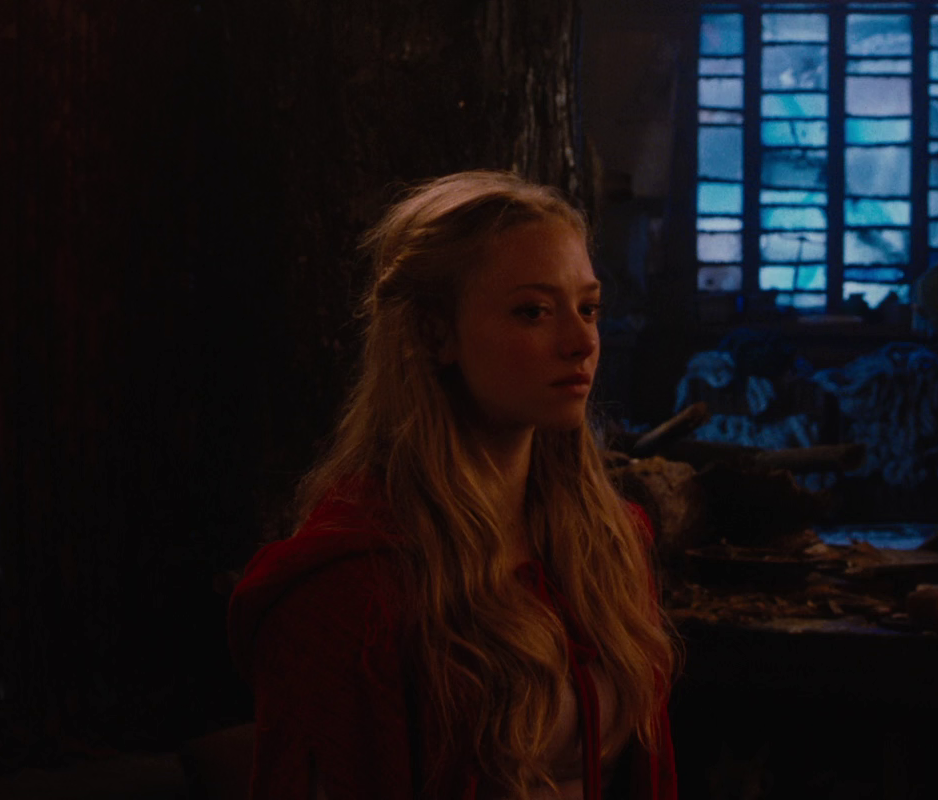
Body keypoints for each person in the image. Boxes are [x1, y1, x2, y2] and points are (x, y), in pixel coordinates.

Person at [227, 171, 679, 799]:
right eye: (533, 311)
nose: (581, 342)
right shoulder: (355, 588)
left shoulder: (605, 546)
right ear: (435, 333)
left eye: (589, 308)